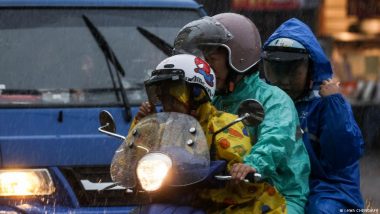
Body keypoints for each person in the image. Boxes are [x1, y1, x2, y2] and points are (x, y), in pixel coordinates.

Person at [173, 13, 310, 213]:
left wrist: (252, 164)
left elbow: (276, 139)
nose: (207, 70)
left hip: (276, 194)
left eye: (212, 60)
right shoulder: (213, 100)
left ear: (237, 58)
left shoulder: (273, 99)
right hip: (226, 195)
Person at [135, 54, 286, 213]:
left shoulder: (223, 124)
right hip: (188, 202)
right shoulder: (167, 128)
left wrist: (240, 168)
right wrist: (144, 126)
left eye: (173, 99)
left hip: (232, 204)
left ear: (197, 94)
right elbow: (143, 155)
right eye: (163, 99)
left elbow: (240, 161)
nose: (167, 106)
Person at [261, 18, 364, 213]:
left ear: (312, 67)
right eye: (276, 70)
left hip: (328, 187)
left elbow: (343, 156)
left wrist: (335, 106)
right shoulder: (264, 98)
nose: (283, 80)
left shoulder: (326, 102)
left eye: (292, 71)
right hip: (280, 183)